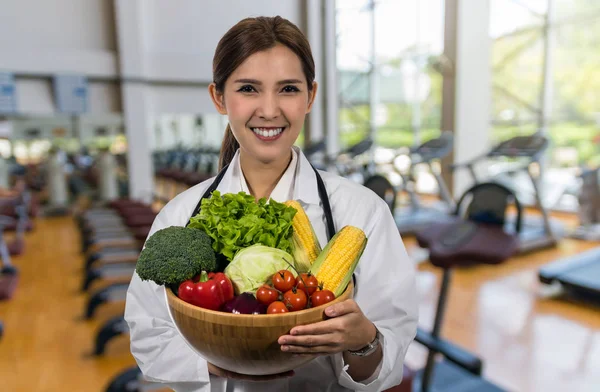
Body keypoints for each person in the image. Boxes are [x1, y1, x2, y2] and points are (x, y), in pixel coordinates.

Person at [124, 16, 418, 392]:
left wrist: (364, 341)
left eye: (288, 89)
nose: (268, 109)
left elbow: (387, 364)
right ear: (219, 98)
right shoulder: (181, 214)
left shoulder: (362, 211)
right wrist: (219, 360)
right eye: (248, 88)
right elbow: (148, 337)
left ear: (310, 97)